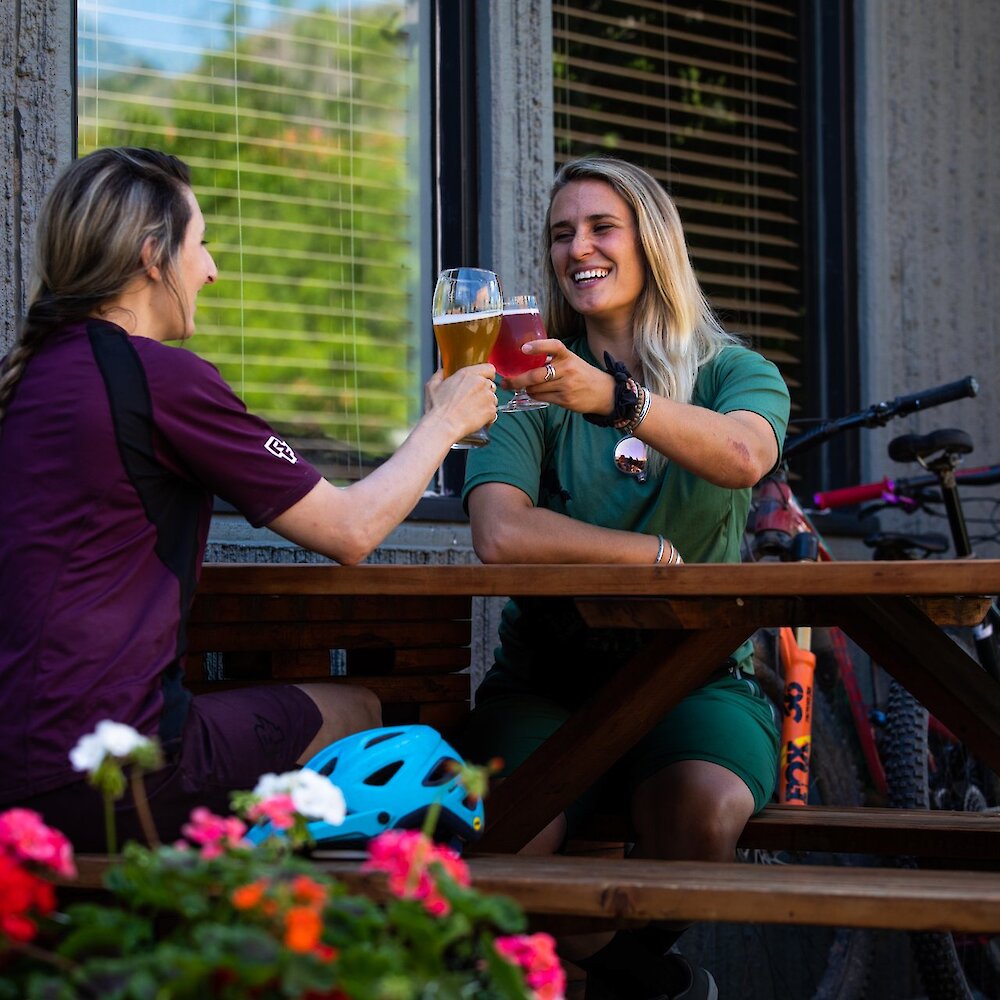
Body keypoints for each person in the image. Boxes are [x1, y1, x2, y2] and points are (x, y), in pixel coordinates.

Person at [0, 147, 498, 851]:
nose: (210, 269)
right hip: (115, 777)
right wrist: (445, 423)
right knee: (362, 713)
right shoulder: (159, 379)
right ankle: (289, 936)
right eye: (200, 245)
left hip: (19, 771)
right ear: (153, 257)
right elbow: (351, 531)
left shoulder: (27, 382)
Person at [460, 156, 790, 1000]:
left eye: (602, 228)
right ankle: (634, 978)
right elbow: (501, 533)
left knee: (704, 808)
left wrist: (619, 399)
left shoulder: (729, 371)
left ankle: (600, 972)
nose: (580, 249)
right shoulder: (526, 379)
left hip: (696, 675)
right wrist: (643, 557)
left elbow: (744, 456)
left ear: (652, 243)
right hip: (549, 680)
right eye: (562, 233)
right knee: (507, 845)